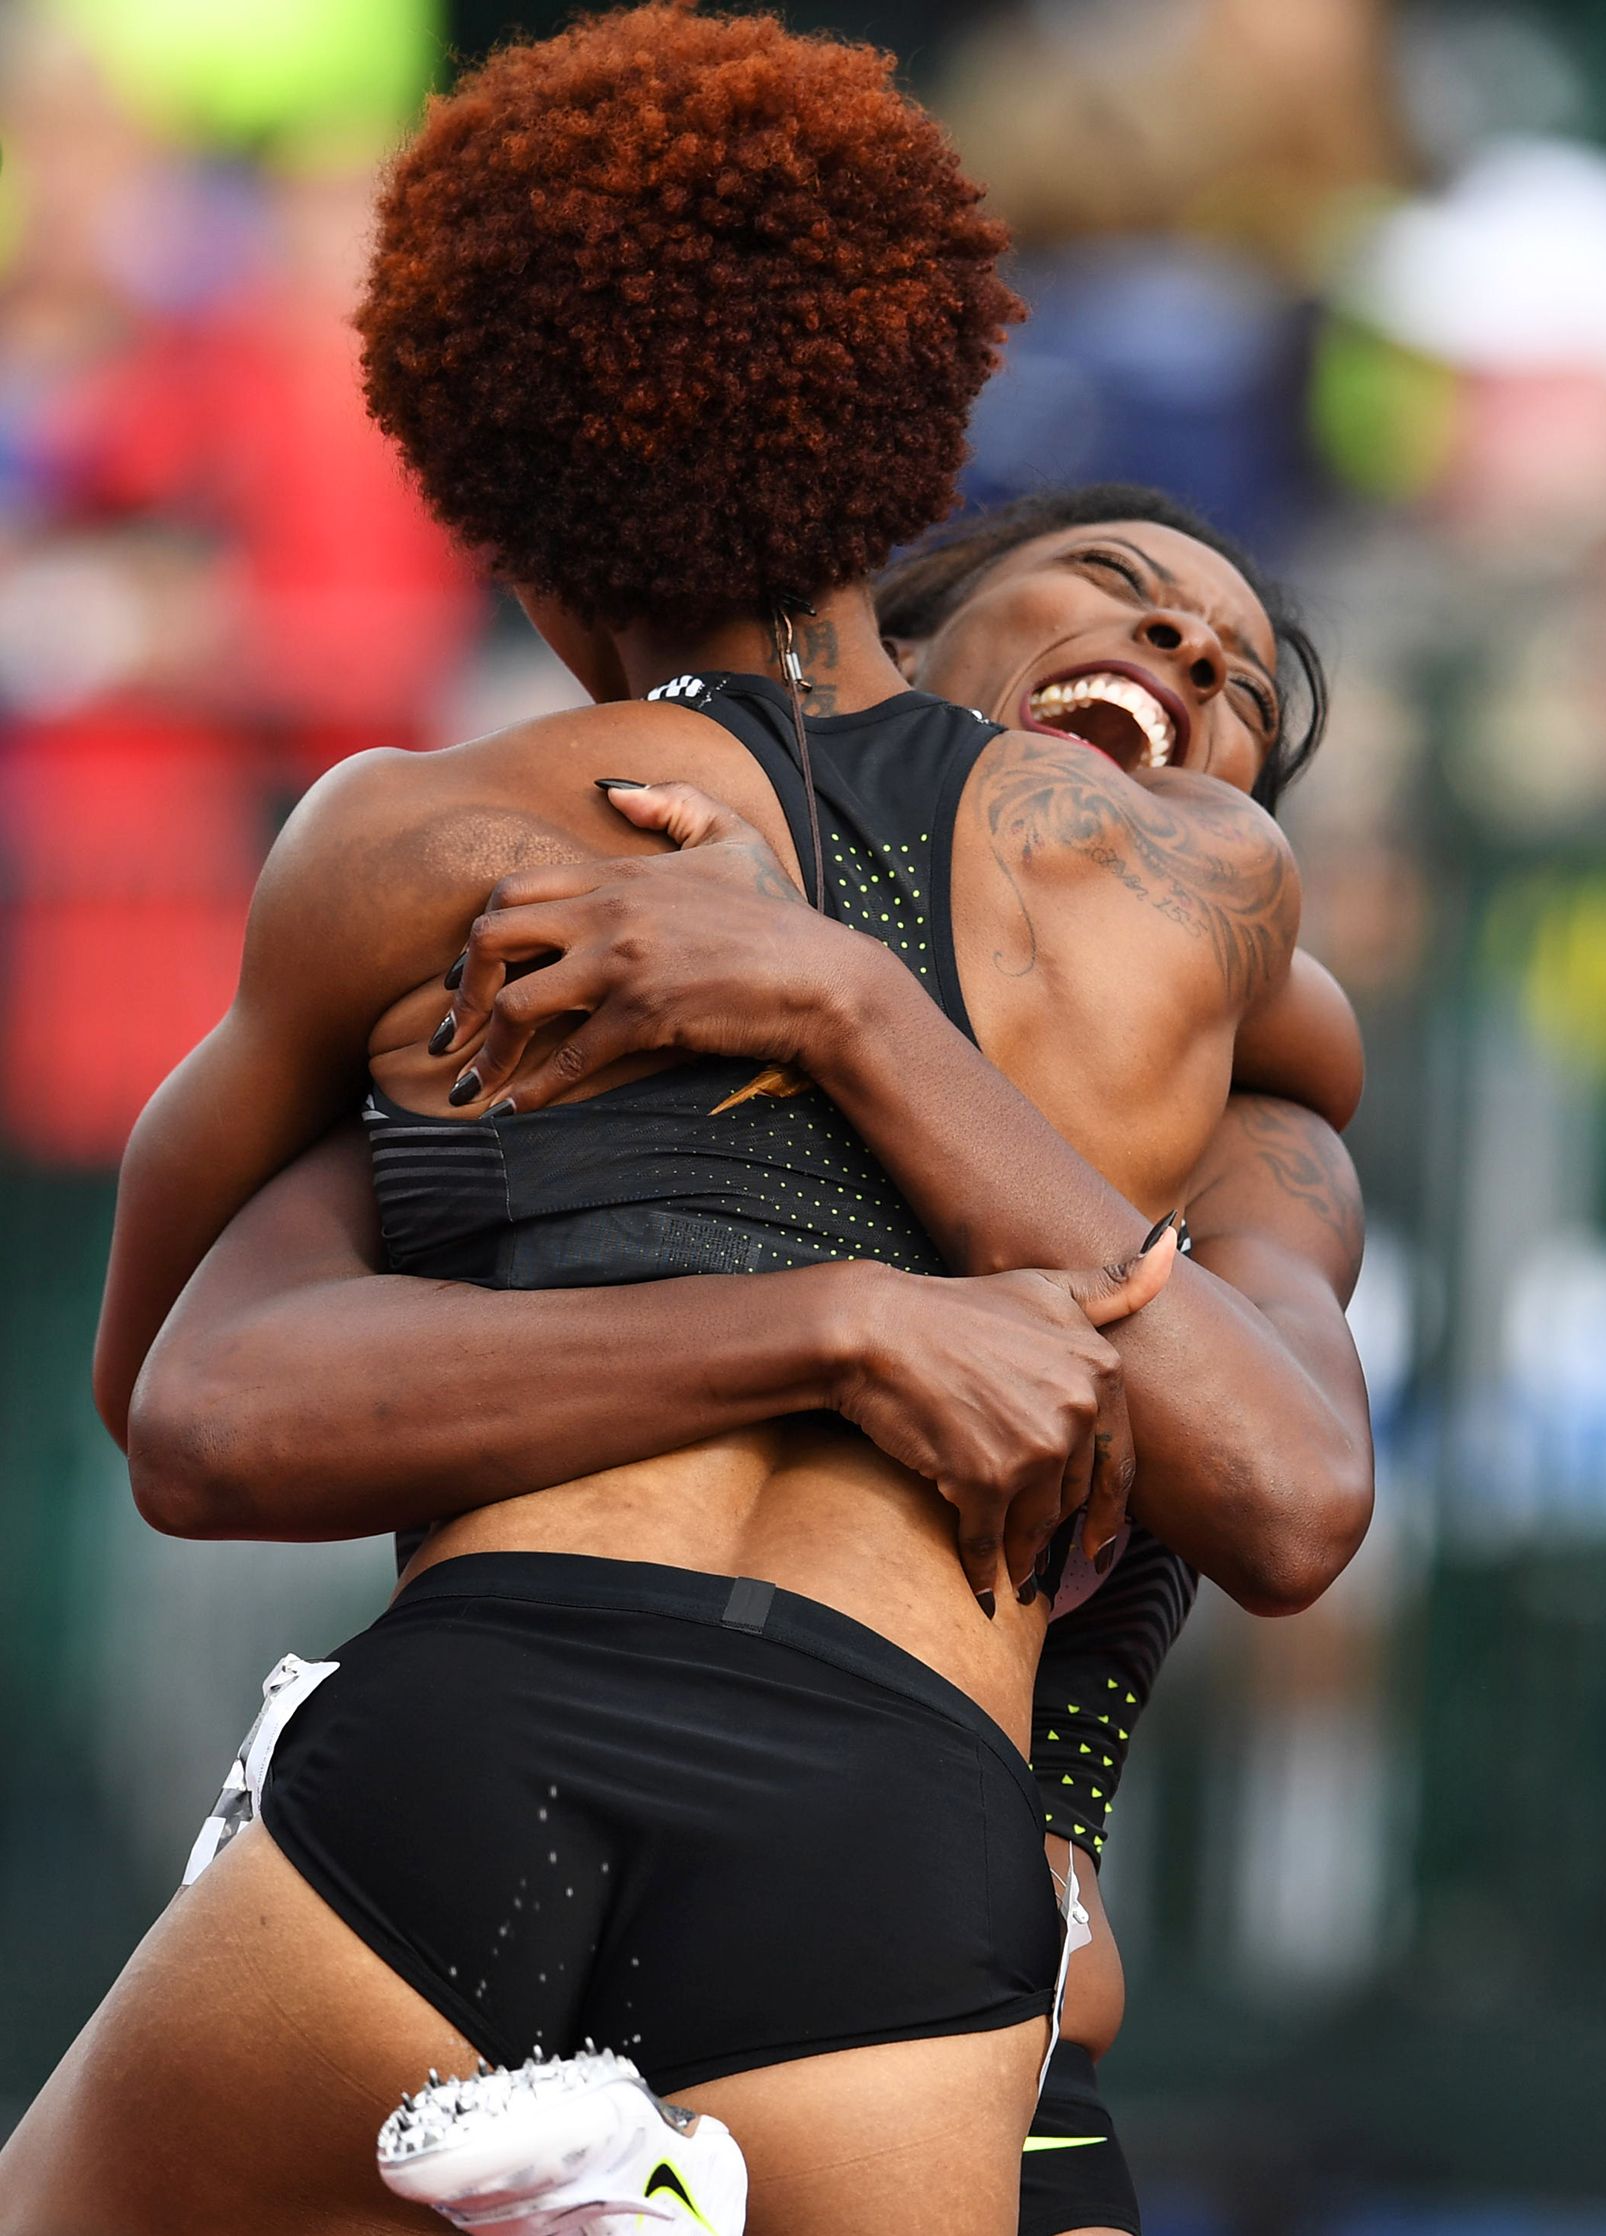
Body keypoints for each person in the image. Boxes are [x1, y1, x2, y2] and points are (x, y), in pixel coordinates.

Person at [0, 17, 1368, 2236]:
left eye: (1232, 676)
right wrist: (835, 1306)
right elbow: (200, 1405)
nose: (1178, 659)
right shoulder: (1201, 907)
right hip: (883, 1862)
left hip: (466, 1769)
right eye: (1115, 586)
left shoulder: (442, 845)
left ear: (510, 527)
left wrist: (828, 999)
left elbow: (146, 1358)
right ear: (912, 521)